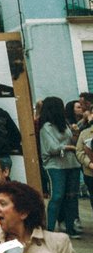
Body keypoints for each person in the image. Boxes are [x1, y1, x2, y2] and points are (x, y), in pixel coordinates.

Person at [37, 96, 81, 237]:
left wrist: (75, 133)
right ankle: (49, 229)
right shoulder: (46, 127)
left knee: (71, 197)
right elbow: (52, 148)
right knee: (57, 196)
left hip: (71, 164)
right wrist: (68, 147)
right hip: (55, 166)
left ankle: (70, 227)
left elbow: (72, 141)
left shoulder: (65, 124)